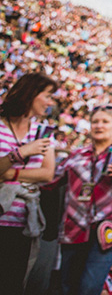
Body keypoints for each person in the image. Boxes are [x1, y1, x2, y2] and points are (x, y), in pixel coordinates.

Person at [54, 105, 112, 295]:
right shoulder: (77, 155)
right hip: (75, 227)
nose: (99, 126)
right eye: (95, 121)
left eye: (105, 121)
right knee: (68, 285)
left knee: (90, 286)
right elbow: (51, 180)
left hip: (109, 228)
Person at [0, 72, 57, 295]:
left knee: (12, 285)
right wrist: (22, 153)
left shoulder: (41, 131)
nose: (50, 102)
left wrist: (9, 173)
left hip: (23, 224)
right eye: (48, 95)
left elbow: (47, 173)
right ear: (31, 93)